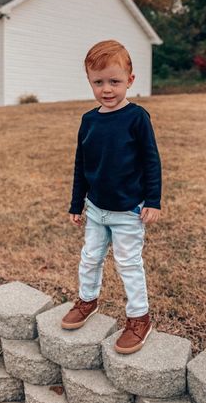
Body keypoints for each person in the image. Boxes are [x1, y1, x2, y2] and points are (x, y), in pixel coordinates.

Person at [61, 40, 161, 355]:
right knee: (89, 257)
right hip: (95, 209)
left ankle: (139, 318)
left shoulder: (137, 118)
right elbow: (81, 164)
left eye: (114, 81)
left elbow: (151, 161)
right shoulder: (89, 121)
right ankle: (87, 300)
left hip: (128, 210)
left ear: (130, 81)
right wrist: (77, 204)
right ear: (90, 81)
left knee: (128, 263)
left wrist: (153, 200)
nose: (107, 89)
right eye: (99, 82)